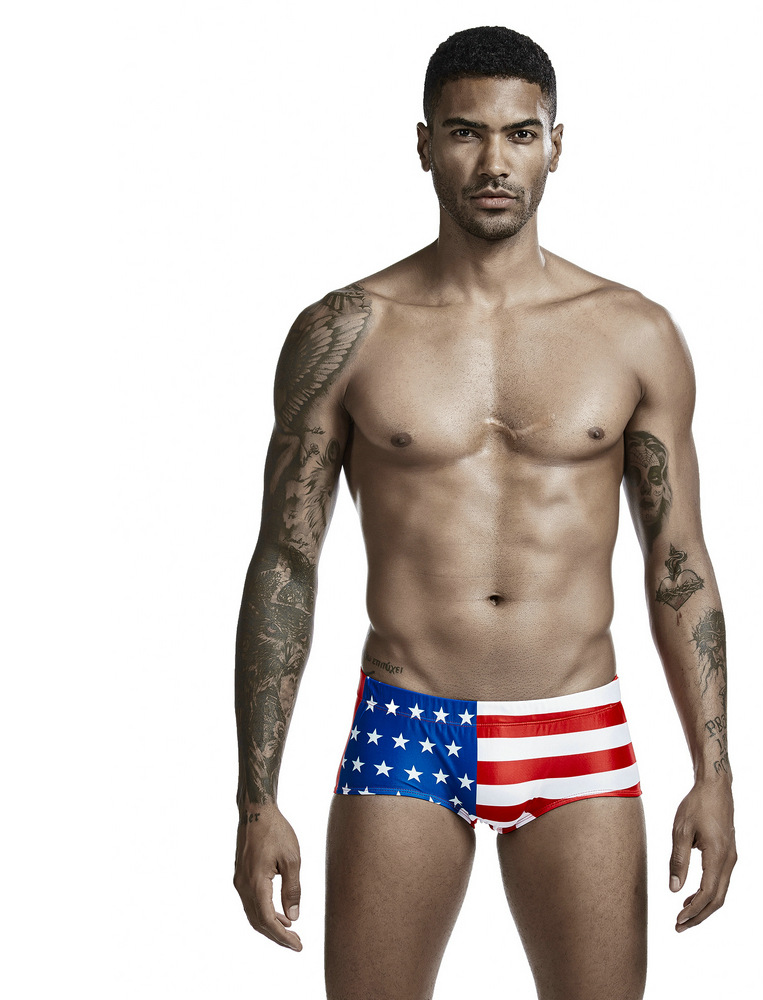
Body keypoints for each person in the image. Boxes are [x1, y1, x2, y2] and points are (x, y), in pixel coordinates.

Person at [233, 25, 736, 999]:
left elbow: (679, 562)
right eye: (466, 133)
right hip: (407, 722)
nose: (494, 162)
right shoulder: (346, 331)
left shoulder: (632, 332)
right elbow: (285, 562)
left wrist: (714, 774)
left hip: (576, 722)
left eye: (520, 133)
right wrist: (258, 796)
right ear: (425, 144)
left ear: (556, 145)